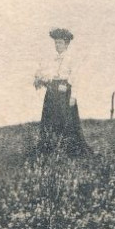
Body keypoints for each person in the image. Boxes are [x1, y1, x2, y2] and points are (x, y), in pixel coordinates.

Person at [34, 28, 90, 156]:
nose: (57, 45)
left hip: (65, 93)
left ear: (66, 44)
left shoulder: (71, 59)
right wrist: (42, 79)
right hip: (52, 93)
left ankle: (69, 150)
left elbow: (75, 78)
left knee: (66, 119)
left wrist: (73, 96)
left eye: (60, 43)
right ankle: (49, 148)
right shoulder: (52, 59)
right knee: (50, 118)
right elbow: (46, 73)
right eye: (56, 43)